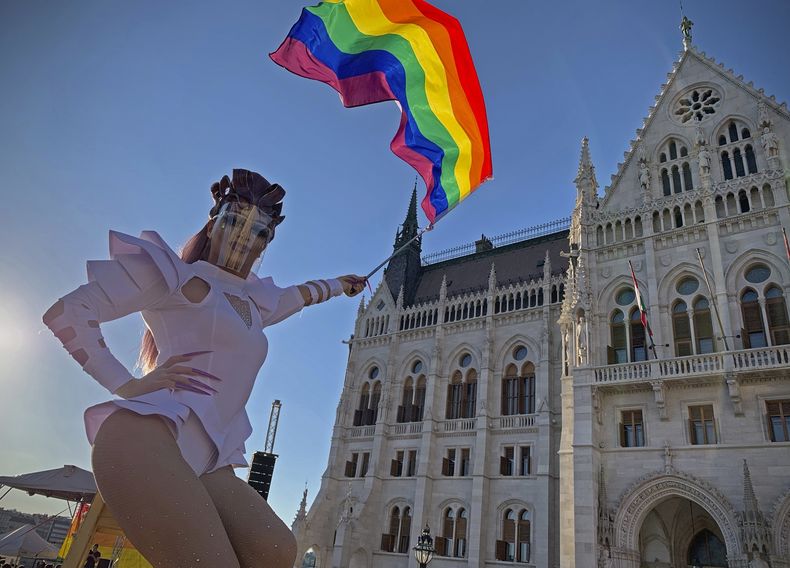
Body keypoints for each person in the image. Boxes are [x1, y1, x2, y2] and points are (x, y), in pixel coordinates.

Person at [44, 169, 366, 567]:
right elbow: (69, 311)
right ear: (213, 224)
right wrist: (125, 384)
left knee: (274, 549)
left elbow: (302, 294)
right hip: (146, 441)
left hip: (209, 460)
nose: (245, 236)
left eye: (260, 231)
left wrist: (343, 284)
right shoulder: (174, 276)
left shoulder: (256, 302)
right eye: (235, 220)